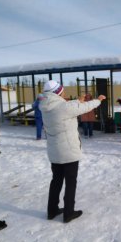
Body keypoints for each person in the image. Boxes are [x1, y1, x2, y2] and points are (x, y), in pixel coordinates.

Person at [40, 80, 106, 223]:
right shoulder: (64, 107)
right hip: (68, 151)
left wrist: (77, 101)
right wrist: (98, 100)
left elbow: (69, 106)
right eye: (62, 91)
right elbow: (85, 107)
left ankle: (52, 211)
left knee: (56, 181)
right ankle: (68, 213)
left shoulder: (45, 106)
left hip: (54, 151)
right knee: (70, 182)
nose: (64, 93)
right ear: (57, 92)